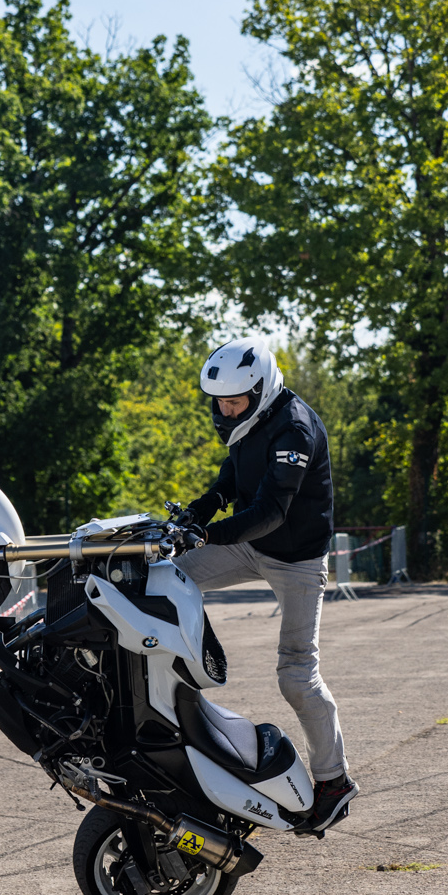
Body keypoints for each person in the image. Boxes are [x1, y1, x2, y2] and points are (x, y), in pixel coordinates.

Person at [177, 341, 358, 834]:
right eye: (218, 401)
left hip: (296, 559)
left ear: (261, 389)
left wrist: (210, 533)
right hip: (250, 545)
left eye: (233, 402)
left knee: (296, 676)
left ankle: (334, 781)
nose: (224, 409)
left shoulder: (294, 427)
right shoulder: (247, 419)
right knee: (168, 579)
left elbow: (272, 511)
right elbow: (233, 477)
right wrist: (200, 508)